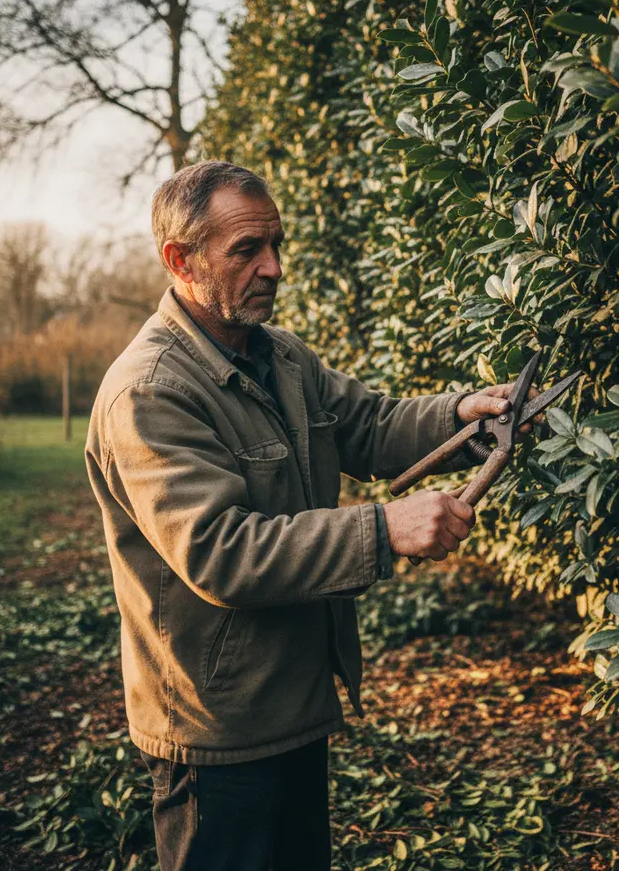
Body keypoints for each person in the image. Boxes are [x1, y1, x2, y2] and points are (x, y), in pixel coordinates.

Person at [85, 161, 538, 871]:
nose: (273, 268)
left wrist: (462, 415)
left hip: (292, 702)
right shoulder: (149, 393)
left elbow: (369, 425)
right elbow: (220, 552)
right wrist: (383, 529)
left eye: (276, 245)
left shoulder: (282, 356)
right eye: (246, 250)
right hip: (217, 730)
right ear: (180, 259)